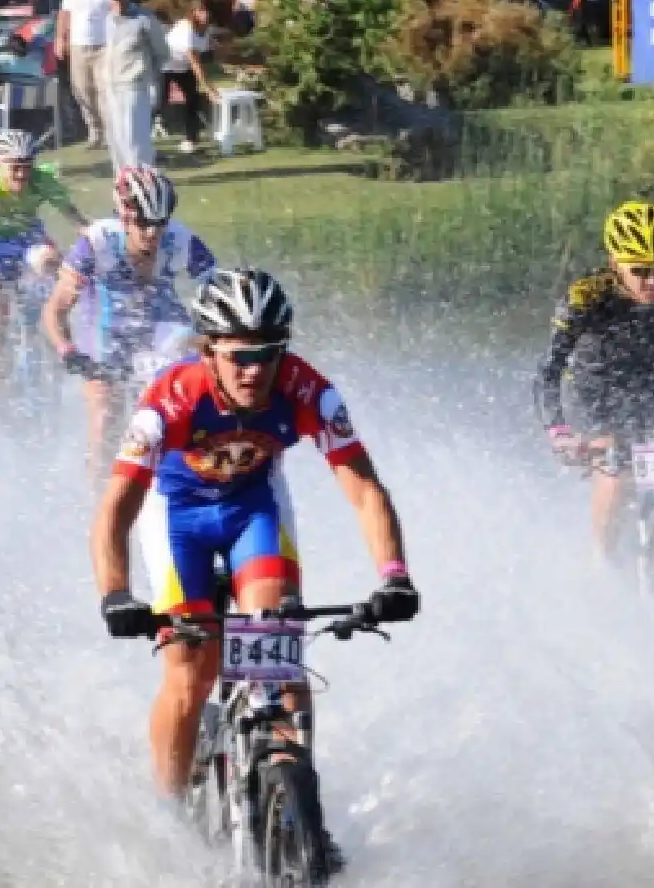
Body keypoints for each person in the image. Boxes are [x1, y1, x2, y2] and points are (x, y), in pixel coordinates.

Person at [89, 266, 420, 874]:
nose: (255, 371)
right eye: (240, 356)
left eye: (269, 354)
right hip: (178, 514)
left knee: (277, 641)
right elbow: (116, 509)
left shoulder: (307, 391)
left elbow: (363, 487)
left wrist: (394, 573)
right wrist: (116, 593)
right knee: (192, 669)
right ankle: (168, 815)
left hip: (252, 511)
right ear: (209, 349)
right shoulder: (170, 398)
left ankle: (302, 808)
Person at [536, 200, 654, 565]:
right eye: (639, 271)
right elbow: (547, 373)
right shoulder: (586, 297)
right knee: (618, 476)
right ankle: (604, 569)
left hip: (653, 387)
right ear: (614, 263)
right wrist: (559, 433)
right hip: (591, 392)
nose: (652, 282)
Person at [42, 165, 215, 484]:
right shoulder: (99, 241)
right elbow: (55, 309)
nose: (152, 233)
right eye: (144, 223)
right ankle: (99, 502)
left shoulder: (180, 239)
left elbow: (219, 296)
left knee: (191, 402)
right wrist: (68, 351)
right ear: (124, 215)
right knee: (106, 414)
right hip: (106, 328)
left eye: (159, 224)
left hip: (163, 324)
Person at [0, 129, 89, 400]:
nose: (22, 175)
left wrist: (100, 245)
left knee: (51, 261)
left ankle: (63, 350)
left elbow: (78, 222)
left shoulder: (43, 180)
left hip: (28, 240)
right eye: (15, 168)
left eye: (27, 167)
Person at [103, 0, 170, 174]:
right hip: (111, 85)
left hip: (135, 86)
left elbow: (162, 53)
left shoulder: (144, 19)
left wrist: (150, 79)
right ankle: (123, 181)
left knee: (136, 139)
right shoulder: (108, 20)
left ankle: (144, 179)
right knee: (117, 139)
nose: (118, 1)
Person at [155, 0, 219, 154]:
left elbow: (212, 46)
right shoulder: (187, 29)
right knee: (158, 103)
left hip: (182, 66)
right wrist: (209, 89)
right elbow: (195, 63)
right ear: (193, 12)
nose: (205, 14)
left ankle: (191, 140)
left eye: (207, 10)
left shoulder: (206, 29)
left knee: (193, 100)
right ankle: (144, 143)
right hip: (165, 66)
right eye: (201, 10)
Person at [56, 0, 112, 149]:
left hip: (105, 44)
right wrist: (60, 38)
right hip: (78, 44)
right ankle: (95, 132)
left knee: (105, 89)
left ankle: (110, 133)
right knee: (82, 89)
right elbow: (65, 14)